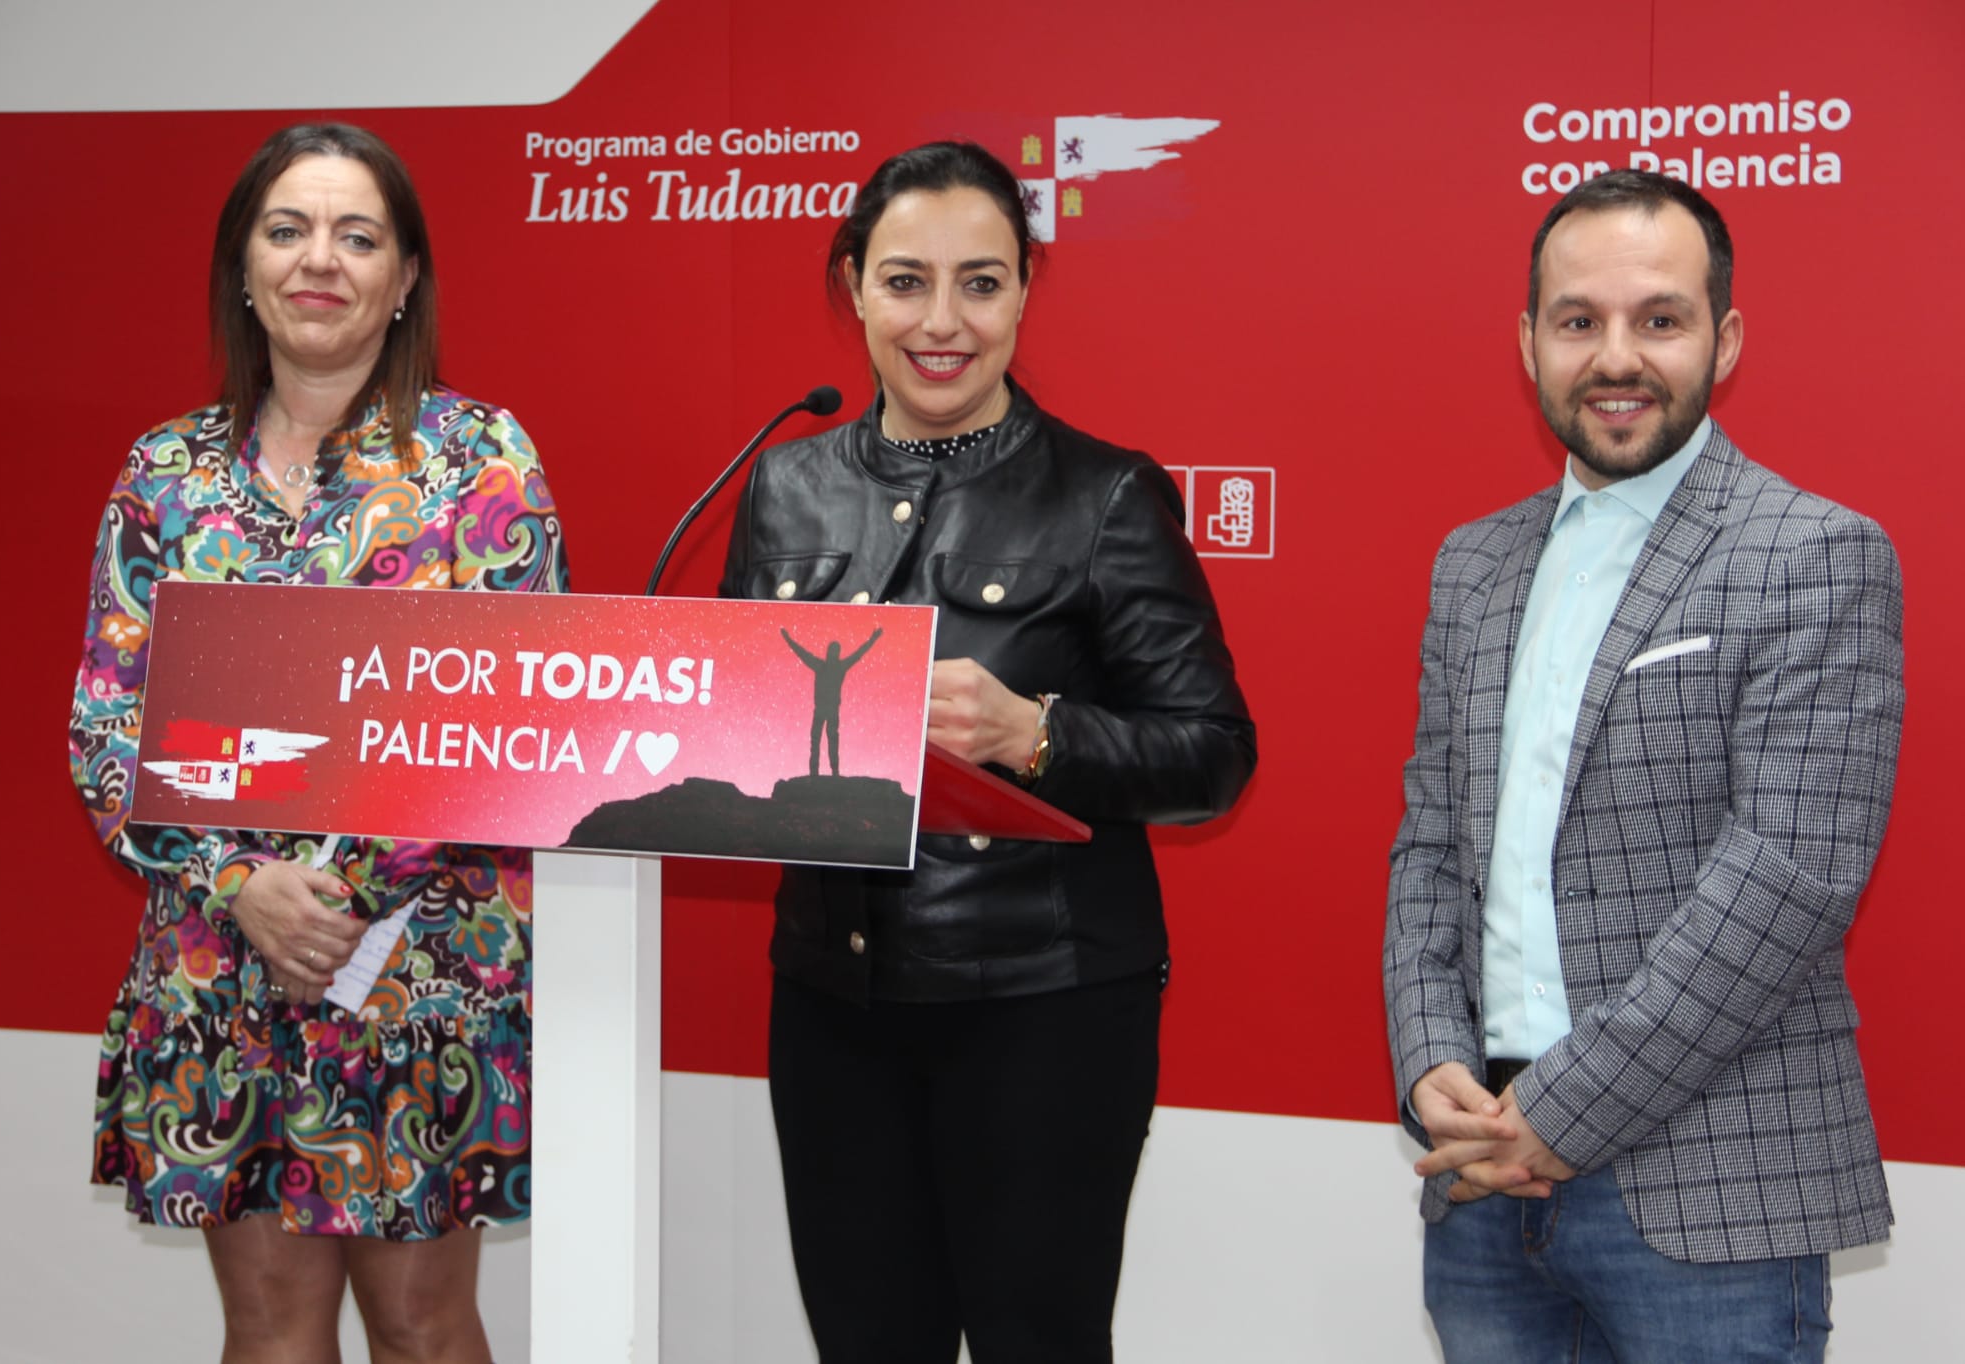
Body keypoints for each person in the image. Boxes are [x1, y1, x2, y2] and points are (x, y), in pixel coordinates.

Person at [719, 141, 1256, 1362]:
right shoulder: (784, 485)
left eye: (981, 281)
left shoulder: (1107, 493)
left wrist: (1037, 733)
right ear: (853, 287)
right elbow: (735, 731)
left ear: (1023, 292)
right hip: (831, 1000)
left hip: (1045, 1008)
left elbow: (1213, 752)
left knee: (1039, 1340)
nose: (941, 321)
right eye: (905, 281)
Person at [1383, 169, 1903, 1363]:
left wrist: (1560, 1116)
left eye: (1656, 318)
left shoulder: (1812, 551)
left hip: (1703, 1195)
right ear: (1527, 344)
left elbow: (1787, 875)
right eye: (1577, 321)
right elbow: (1428, 846)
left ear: (1722, 339)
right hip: (1479, 1185)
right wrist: (1429, 1063)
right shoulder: (1472, 564)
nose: (1614, 355)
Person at [70, 123, 567, 1364]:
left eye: (359, 237)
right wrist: (246, 888)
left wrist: (331, 907)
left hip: (414, 967)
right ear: (244, 266)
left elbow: (511, 724)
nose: (320, 261)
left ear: (405, 281)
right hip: (220, 963)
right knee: (273, 1329)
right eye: (287, 230)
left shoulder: (479, 464)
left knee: (419, 1324)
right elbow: (107, 724)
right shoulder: (164, 475)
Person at [781, 623, 882, 775]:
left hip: (827, 710)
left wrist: (873, 638)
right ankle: (822, 772)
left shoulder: (827, 666)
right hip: (824, 710)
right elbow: (801, 652)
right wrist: (787, 639)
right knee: (822, 741)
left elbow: (859, 653)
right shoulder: (831, 666)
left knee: (827, 741)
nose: (833, 653)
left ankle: (828, 772)